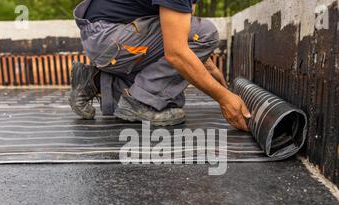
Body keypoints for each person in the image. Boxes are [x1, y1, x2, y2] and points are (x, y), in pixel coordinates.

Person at [71, 0, 250, 130]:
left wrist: (206, 65)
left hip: (105, 37)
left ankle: (94, 80)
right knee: (207, 33)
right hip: (110, 37)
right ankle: (140, 102)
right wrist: (224, 98)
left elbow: (181, 31)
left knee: (170, 98)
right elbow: (177, 52)